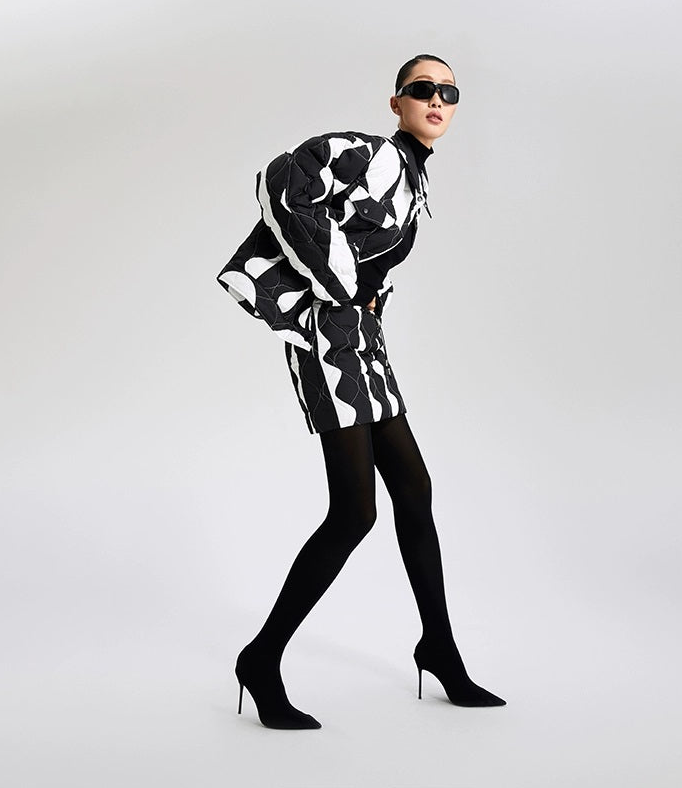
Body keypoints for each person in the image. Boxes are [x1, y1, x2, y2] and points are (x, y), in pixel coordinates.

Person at [217, 54, 506, 729]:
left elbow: (364, 254)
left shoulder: (411, 176)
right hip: (328, 341)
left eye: (449, 92)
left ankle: (439, 649)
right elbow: (284, 178)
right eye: (423, 89)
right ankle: (261, 659)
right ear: (396, 102)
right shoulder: (372, 154)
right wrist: (341, 287)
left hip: (363, 342)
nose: (438, 100)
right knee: (354, 512)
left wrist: (365, 301)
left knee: (414, 489)